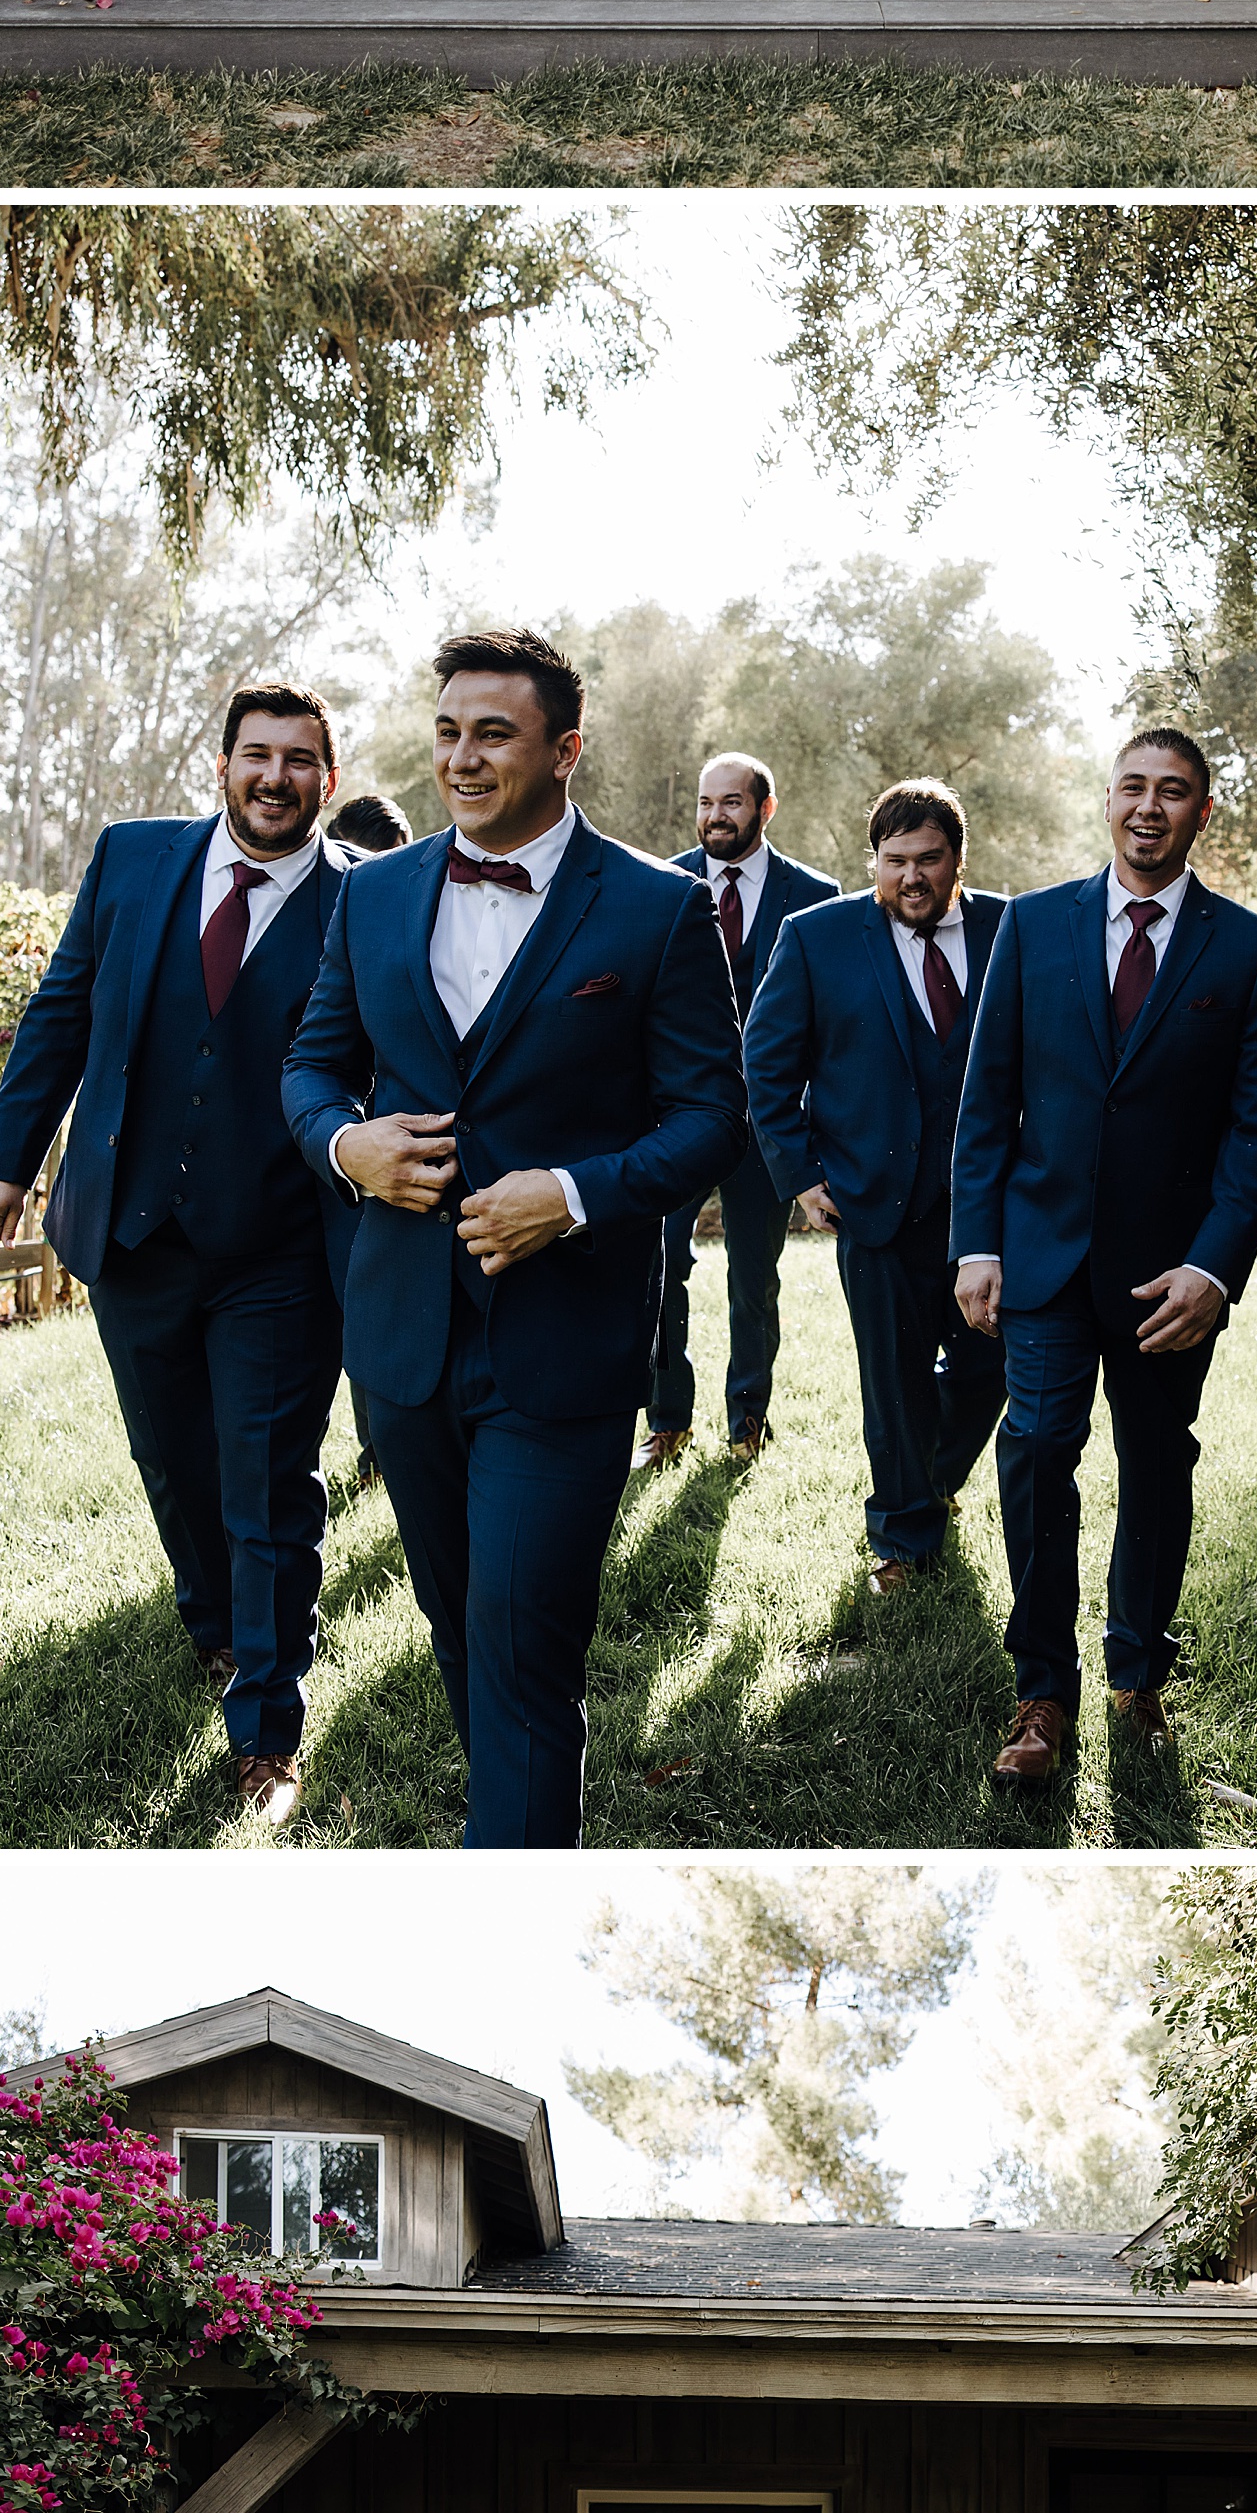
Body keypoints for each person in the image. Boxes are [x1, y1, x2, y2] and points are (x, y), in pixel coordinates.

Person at [281, 626, 745, 1845]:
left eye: (494, 733)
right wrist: (347, 1146)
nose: (464, 758)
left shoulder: (655, 908)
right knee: (456, 1617)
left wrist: (577, 1192)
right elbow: (314, 1065)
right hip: (403, 1340)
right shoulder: (371, 893)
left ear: (565, 750)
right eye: (447, 731)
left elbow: (711, 1116)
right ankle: (515, 1798)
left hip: (565, 1340)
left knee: (524, 1640)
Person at [0, 683, 358, 1825]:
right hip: (130, 1229)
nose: (274, 777)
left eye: (299, 760)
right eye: (256, 754)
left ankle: (268, 1721)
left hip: (279, 1244)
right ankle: (220, 1628)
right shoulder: (132, 859)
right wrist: (8, 1153)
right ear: (223, 763)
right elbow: (62, 1007)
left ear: (328, 780)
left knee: (268, 1480)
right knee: (174, 1463)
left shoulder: (364, 900)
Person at [951, 726, 1257, 1787]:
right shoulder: (1033, 925)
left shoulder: (1247, 948)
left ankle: (1136, 1666)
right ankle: (1041, 1690)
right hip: (1043, 1257)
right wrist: (977, 1240)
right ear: (1107, 799)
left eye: (1174, 791)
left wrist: (1216, 1265)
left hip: (1169, 1280)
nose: (1149, 806)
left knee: (1157, 1463)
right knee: (1037, 1449)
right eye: (1133, 786)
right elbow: (986, 1097)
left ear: (1201, 812)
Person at [743, 782, 1008, 1599]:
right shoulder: (815, 936)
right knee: (891, 1382)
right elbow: (767, 1064)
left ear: (958, 859)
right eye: (895, 861)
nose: (913, 877)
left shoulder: (1014, 929)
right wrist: (801, 1175)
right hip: (873, 1203)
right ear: (875, 862)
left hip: (993, 1208)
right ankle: (902, 1537)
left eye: (929, 859)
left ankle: (932, 1478)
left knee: (988, 1371)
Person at [642, 752, 838, 1469]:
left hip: (769, 1126)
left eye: (731, 802)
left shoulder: (816, 894)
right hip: (676, 1119)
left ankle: (747, 1421)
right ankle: (667, 1420)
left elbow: (825, 1018)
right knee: (660, 1264)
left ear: (765, 807)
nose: (714, 816)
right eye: (704, 802)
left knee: (755, 1279)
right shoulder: (661, 883)